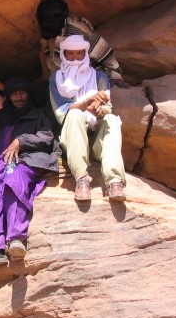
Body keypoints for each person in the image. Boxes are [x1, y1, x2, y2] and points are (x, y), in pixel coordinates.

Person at [0, 77, 58, 266]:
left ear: (28, 94)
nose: (18, 97)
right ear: (9, 97)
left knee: (14, 180)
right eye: (14, 94)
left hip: (30, 158)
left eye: (22, 93)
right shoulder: (2, 118)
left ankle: (16, 238)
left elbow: (46, 137)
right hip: (2, 159)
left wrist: (20, 141)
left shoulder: (38, 113)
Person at [49, 35, 127, 201]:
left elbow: (107, 107)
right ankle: (82, 179)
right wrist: (86, 103)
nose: (75, 58)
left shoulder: (98, 77)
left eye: (79, 54)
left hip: (96, 132)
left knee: (112, 120)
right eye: (70, 54)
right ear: (63, 54)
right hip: (72, 135)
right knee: (75, 114)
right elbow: (62, 111)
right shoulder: (56, 79)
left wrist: (99, 110)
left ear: (85, 54)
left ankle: (114, 182)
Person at [36, 0, 130, 88]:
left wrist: (114, 76)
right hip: (62, 77)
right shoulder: (48, 32)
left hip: (87, 75)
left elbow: (103, 51)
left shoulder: (77, 29)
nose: (47, 24)